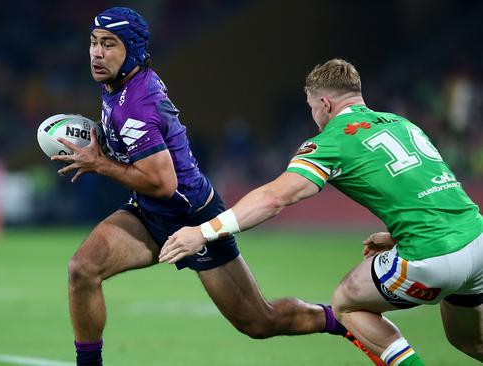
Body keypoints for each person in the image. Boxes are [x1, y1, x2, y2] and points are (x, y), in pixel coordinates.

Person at [50, 9, 381, 366]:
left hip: (193, 217)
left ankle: (342, 322)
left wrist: (100, 163)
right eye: (94, 43)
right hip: (149, 213)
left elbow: (163, 183)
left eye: (108, 44)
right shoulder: (120, 83)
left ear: (131, 50)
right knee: (82, 269)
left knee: (259, 321)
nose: (96, 53)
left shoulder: (138, 105)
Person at [159, 58, 483, 366]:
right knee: (467, 341)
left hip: (432, 255)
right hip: (476, 240)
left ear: (325, 104)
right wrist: (398, 235)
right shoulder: (402, 124)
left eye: (313, 108)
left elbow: (274, 198)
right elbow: (429, 189)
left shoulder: (331, 140)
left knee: (345, 303)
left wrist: (202, 232)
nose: (314, 116)